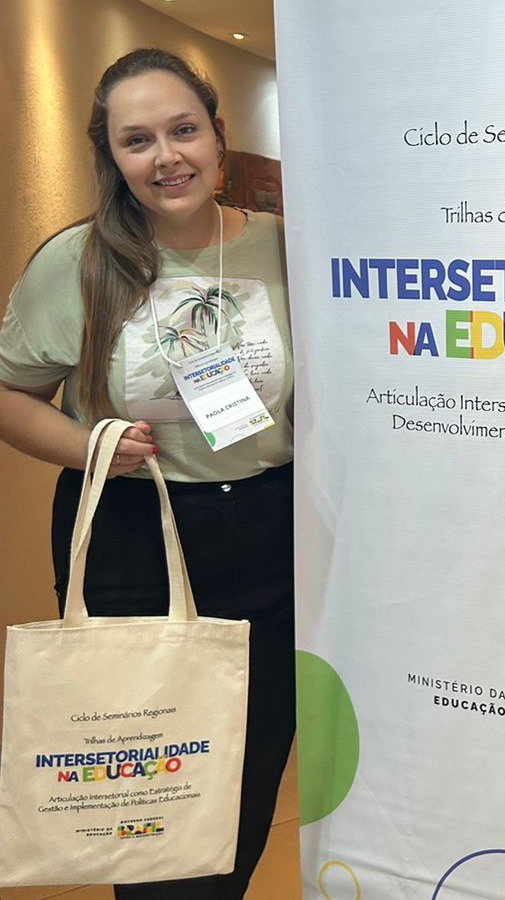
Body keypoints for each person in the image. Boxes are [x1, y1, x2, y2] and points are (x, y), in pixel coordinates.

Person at [0, 48, 293, 898]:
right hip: (135, 533)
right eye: (138, 140)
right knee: (153, 799)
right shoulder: (80, 260)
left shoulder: (284, 247)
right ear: (112, 155)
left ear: (217, 135)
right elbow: (10, 394)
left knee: (246, 783)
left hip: (272, 535)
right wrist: (87, 445)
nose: (167, 157)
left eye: (182, 130)